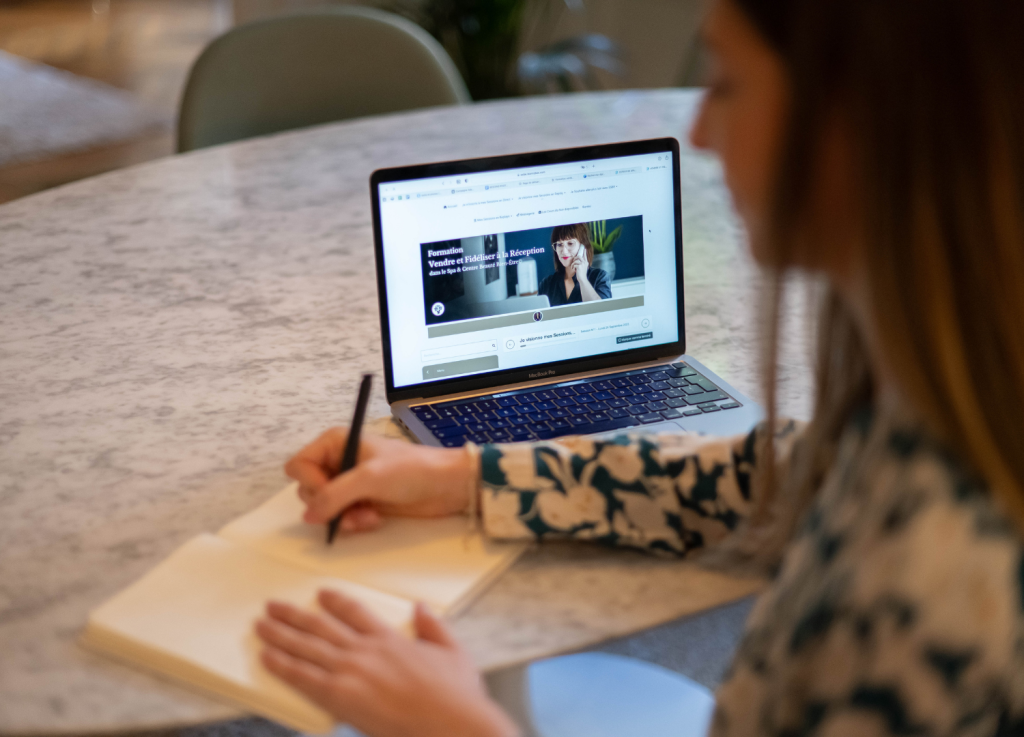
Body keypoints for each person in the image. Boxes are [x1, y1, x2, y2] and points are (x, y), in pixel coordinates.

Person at [254, 0, 1024, 735]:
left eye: (724, 83)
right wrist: (463, 478)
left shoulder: (928, 591)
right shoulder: (937, 407)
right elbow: (778, 477)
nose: (701, 131)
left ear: (851, 118)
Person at [536, 223, 612, 306]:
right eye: (559, 244)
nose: (564, 251)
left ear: (583, 247)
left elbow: (601, 311)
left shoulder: (600, 277)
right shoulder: (546, 284)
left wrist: (582, 279)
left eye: (570, 243)